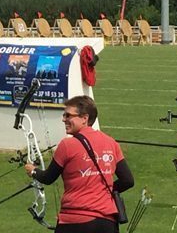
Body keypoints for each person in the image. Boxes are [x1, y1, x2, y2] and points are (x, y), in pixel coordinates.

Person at [25, 95, 134, 233]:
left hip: (74, 222)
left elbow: (48, 178)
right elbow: (128, 180)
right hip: (106, 223)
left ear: (84, 118)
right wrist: (103, 191)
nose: (63, 119)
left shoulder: (67, 145)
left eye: (68, 115)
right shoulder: (111, 143)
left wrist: (33, 171)